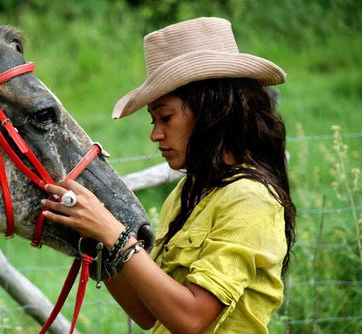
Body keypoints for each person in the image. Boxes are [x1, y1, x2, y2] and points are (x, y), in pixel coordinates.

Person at [41, 17, 295, 333]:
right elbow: (150, 314)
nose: (156, 135)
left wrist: (113, 234)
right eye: (153, 121)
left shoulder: (251, 199)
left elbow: (191, 319)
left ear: (212, 112)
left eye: (165, 117)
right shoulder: (187, 193)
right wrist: (94, 241)